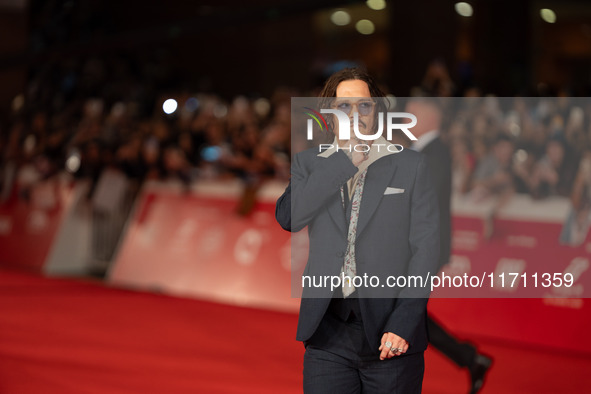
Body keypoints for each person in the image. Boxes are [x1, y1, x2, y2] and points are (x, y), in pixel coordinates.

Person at [275, 68, 440, 393]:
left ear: (376, 111)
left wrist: (403, 323)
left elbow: (426, 250)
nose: (355, 114)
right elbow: (289, 218)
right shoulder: (310, 163)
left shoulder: (410, 165)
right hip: (327, 333)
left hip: (390, 335)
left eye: (364, 105)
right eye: (345, 105)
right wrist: (343, 161)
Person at [406, 98, 492, 394]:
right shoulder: (421, 152)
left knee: (404, 313)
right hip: (414, 249)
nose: (405, 119)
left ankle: (469, 358)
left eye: (412, 114)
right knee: (407, 314)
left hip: (423, 250)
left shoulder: (436, 153)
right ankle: (470, 358)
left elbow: (417, 197)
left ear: (429, 119)